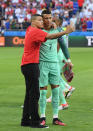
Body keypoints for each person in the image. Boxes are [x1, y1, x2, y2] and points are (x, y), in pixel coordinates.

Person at [21, 14, 74, 128]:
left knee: (32, 94)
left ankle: (26, 120)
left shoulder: (31, 29)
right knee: (36, 94)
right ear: (35, 21)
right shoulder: (36, 31)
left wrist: (56, 27)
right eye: (41, 19)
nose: (44, 21)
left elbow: (60, 42)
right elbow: (49, 37)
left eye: (49, 18)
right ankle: (37, 120)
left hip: (38, 64)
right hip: (34, 64)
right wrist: (65, 31)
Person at [39, 10, 74, 126]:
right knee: (43, 93)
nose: (48, 20)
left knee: (55, 91)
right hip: (43, 64)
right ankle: (42, 117)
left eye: (50, 18)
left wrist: (68, 60)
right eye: (45, 18)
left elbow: (63, 45)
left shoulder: (57, 29)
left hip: (54, 64)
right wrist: (64, 32)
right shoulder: (39, 30)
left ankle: (55, 118)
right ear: (42, 19)